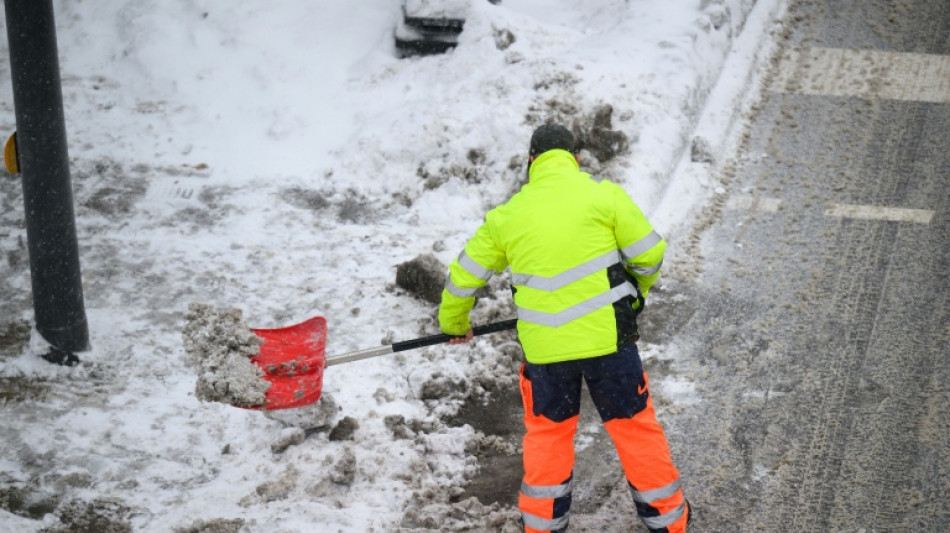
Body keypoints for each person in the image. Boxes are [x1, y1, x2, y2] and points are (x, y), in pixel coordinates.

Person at [438, 124, 691, 532]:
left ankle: (542, 525)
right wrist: (635, 292)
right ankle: (668, 521)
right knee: (634, 428)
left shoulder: (506, 216)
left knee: (548, 436)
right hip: (608, 343)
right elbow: (649, 252)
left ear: (531, 162)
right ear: (575, 158)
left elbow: (463, 277)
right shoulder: (603, 195)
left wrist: (454, 322)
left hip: (546, 354)